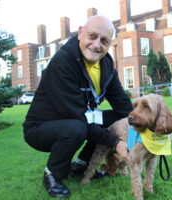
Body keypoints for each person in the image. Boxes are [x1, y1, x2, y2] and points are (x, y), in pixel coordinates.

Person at [23, 15, 133, 198]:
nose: (97, 45)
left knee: (117, 118)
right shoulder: (62, 62)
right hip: (41, 128)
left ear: (109, 44)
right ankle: (52, 175)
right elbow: (78, 116)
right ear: (81, 33)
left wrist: (140, 125)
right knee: (77, 128)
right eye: (92, 36)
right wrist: (115, 142)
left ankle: (81, 165)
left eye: (104, 41)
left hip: (80, 118)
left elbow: (122, 103)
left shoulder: (106, 63)